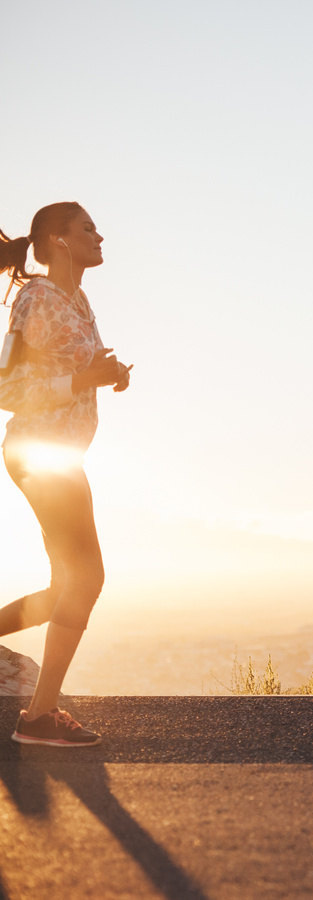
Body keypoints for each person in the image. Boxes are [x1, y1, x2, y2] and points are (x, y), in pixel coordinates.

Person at [0, 203, 132, 747]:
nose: (99, 235)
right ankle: (38, 718)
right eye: (86, 229)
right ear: (57, 240)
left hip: (62, 456)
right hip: (38, 452)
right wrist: (84, 380)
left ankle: (40, 716)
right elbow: (6, 390)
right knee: (86, 580)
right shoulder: (36, 298)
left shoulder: (76, 298)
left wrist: (110, 374)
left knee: (71, 584)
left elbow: (77, 369)